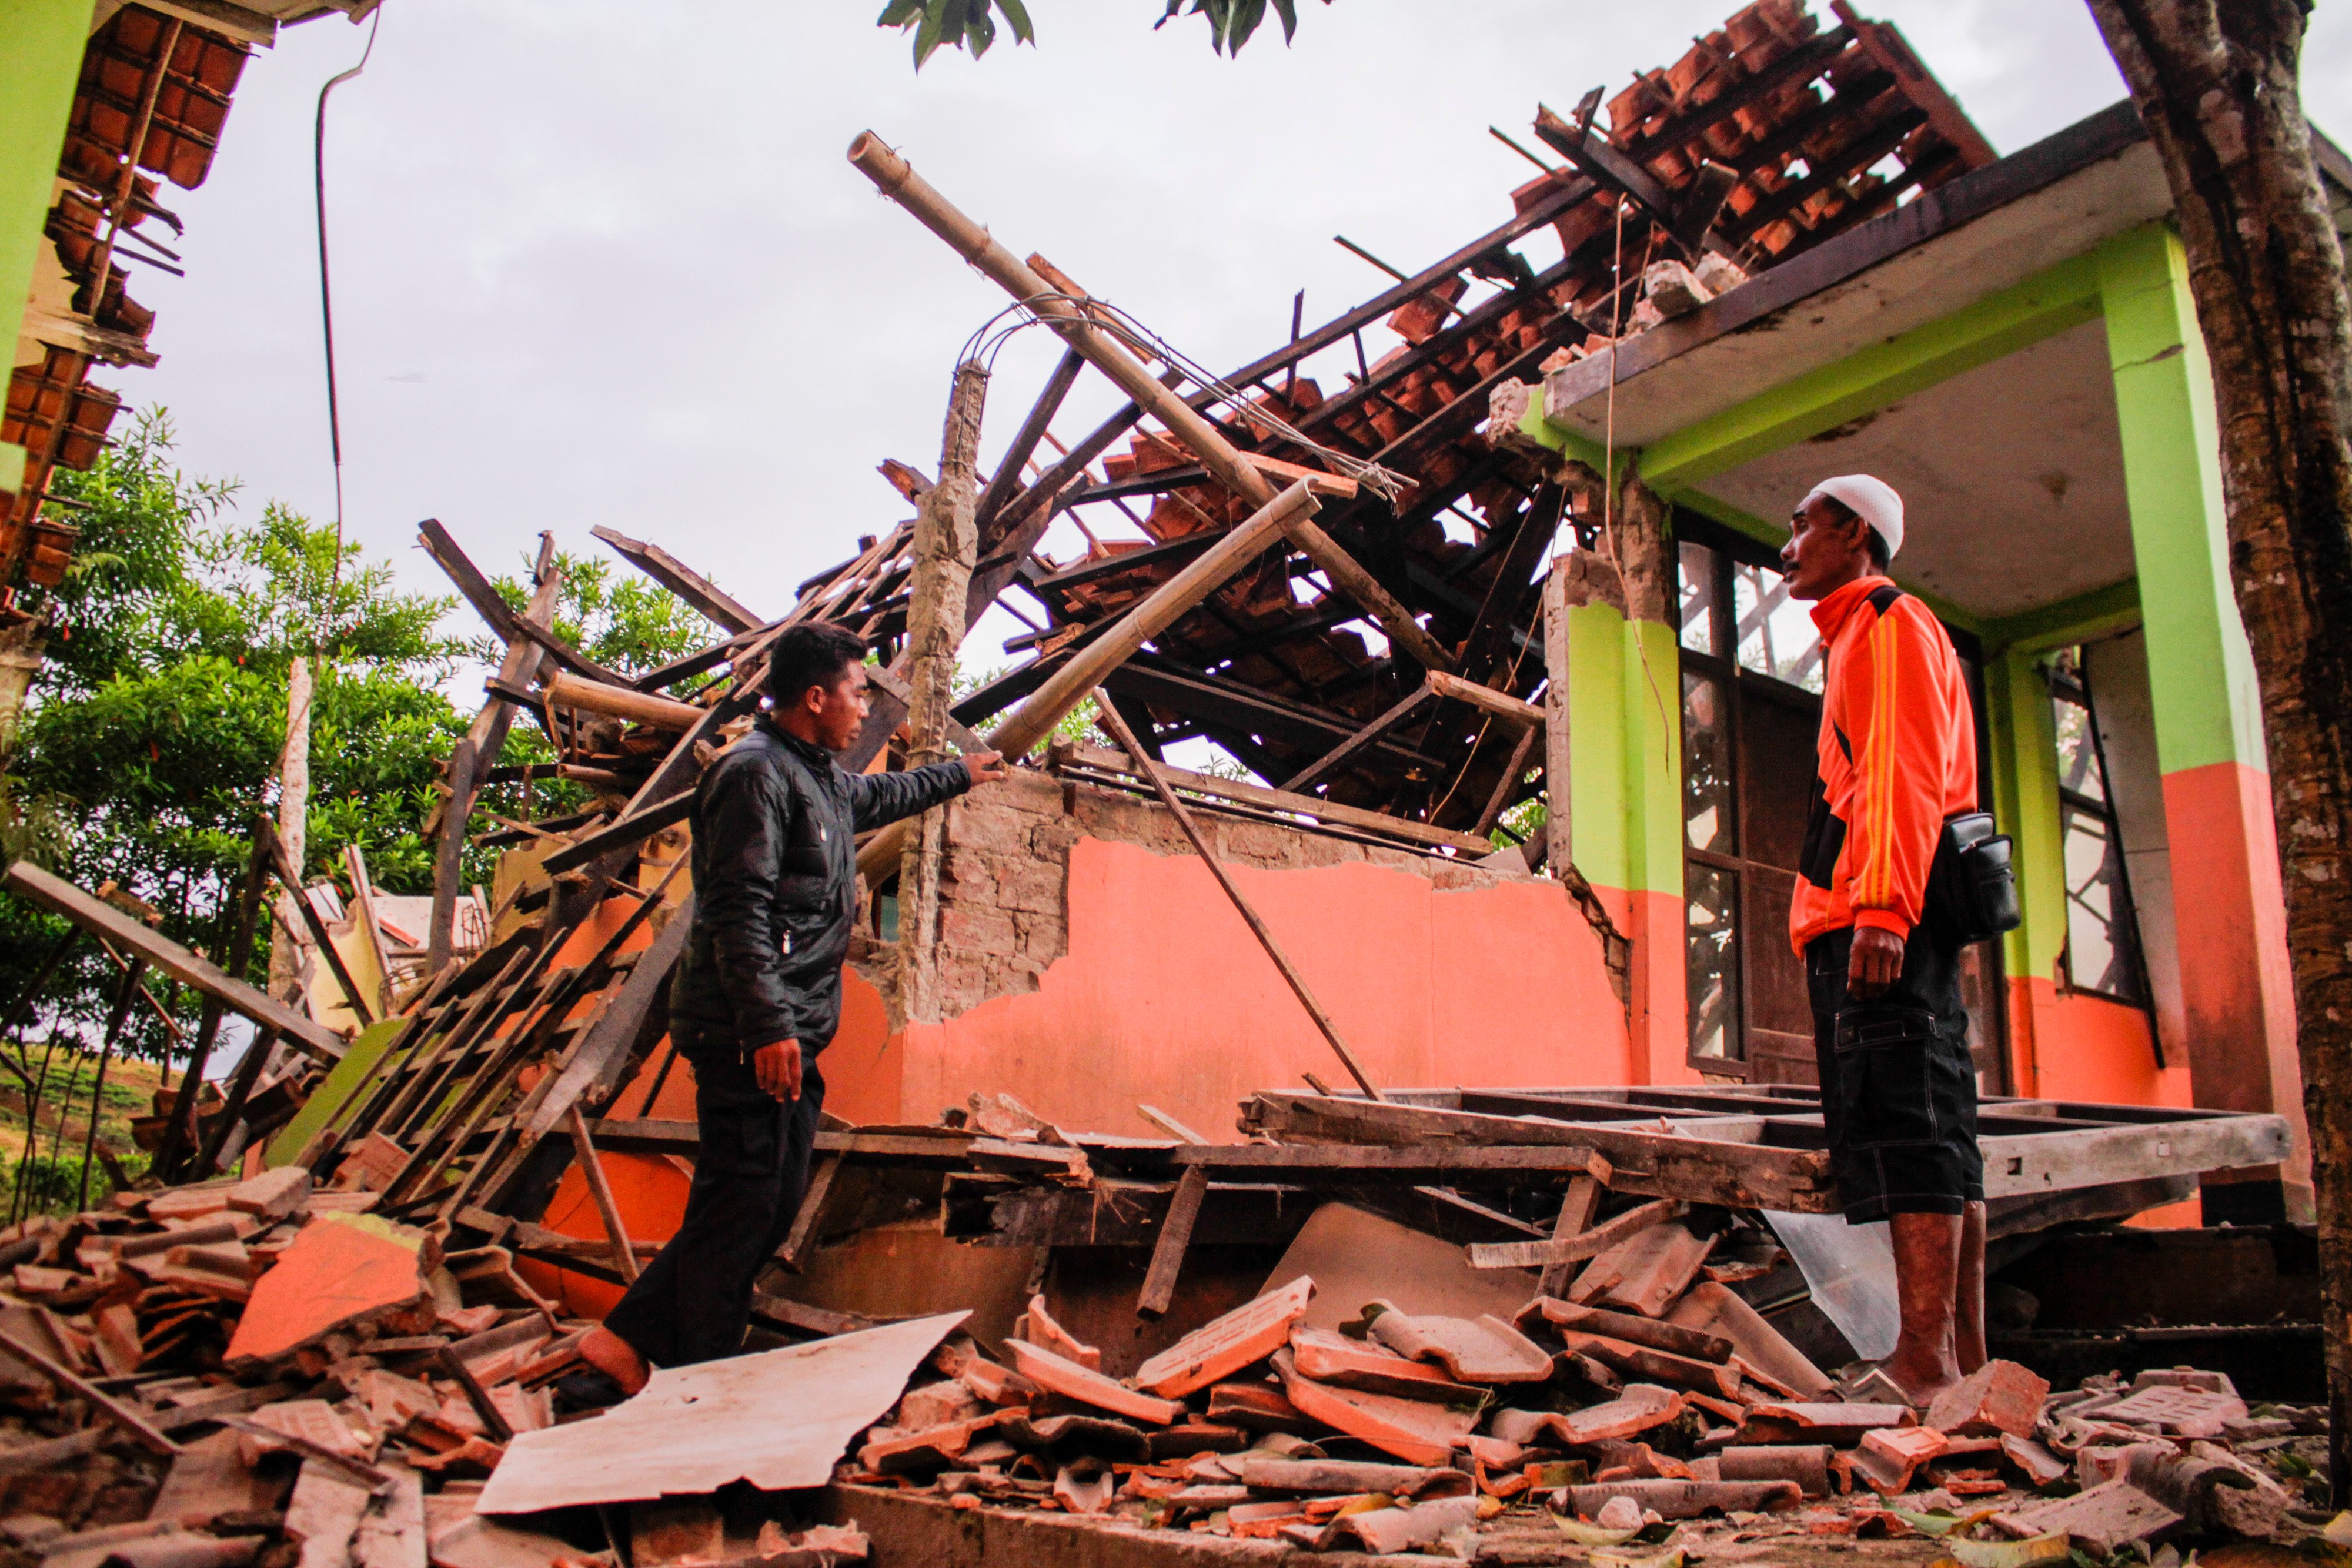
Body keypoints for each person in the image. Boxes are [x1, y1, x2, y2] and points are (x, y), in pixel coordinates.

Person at [575, 621, 1008, 1396]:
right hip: (749, 1028)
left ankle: (624, 1344)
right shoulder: (754, 775)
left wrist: (961, 774)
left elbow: (882, 793)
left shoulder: (815, 777)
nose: (860, 708)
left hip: (789, 1029)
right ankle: (696, 1371)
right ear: (816, 697)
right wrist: (768, 1026)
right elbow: (738, 908)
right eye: (853, 693)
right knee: (744, 1203)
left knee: (761, 1200)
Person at [1780, 474, 1986, 1407]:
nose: (1789, 546)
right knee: (1938, 1130)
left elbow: (1903, 776)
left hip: (1879, 922)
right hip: (1884, 914)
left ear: (1854, 531)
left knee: (1909, 1132)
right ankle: (1964, 1363)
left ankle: (1924, 1361)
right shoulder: (1863, 636)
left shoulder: (1890, 626)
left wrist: (1881, 913)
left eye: (1803, 526)